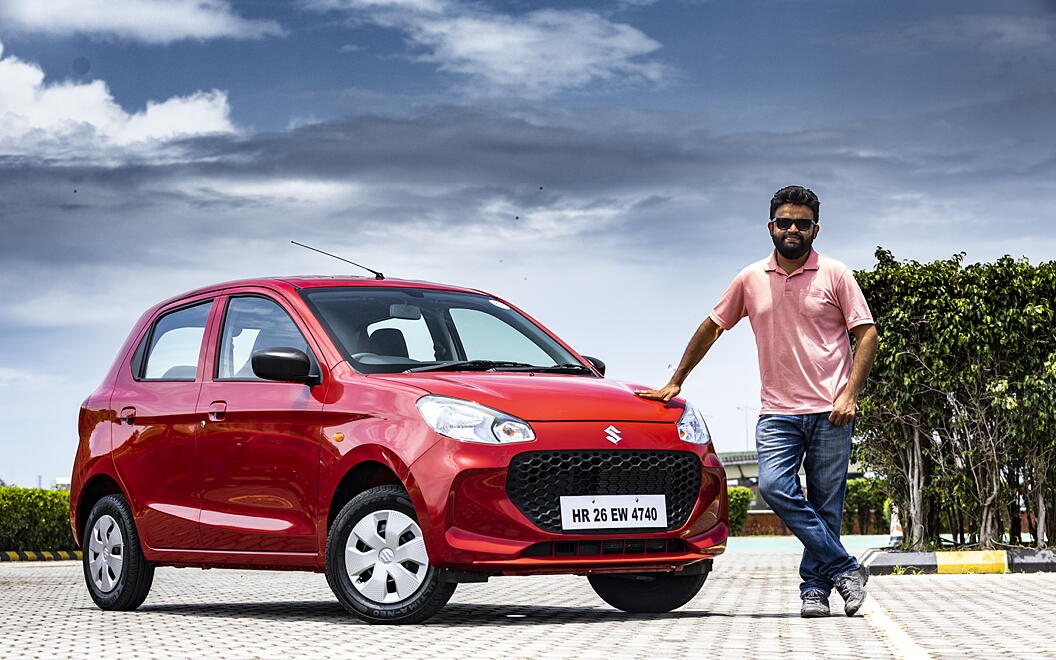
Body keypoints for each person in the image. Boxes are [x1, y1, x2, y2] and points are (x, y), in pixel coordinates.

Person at [635, 185, 879, 618]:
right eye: (784, 221)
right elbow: (712, 327)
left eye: (802, 224)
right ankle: (845, 567)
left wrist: (850, 394)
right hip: (778, 413)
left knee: (827, 504)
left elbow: (867, 334)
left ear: (815, 230)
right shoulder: (749, 278)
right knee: (773, 487)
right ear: (771, 226)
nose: (792, 229)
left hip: (831, 412)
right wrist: (675, 381)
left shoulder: (836, 274)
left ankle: (815, 592)